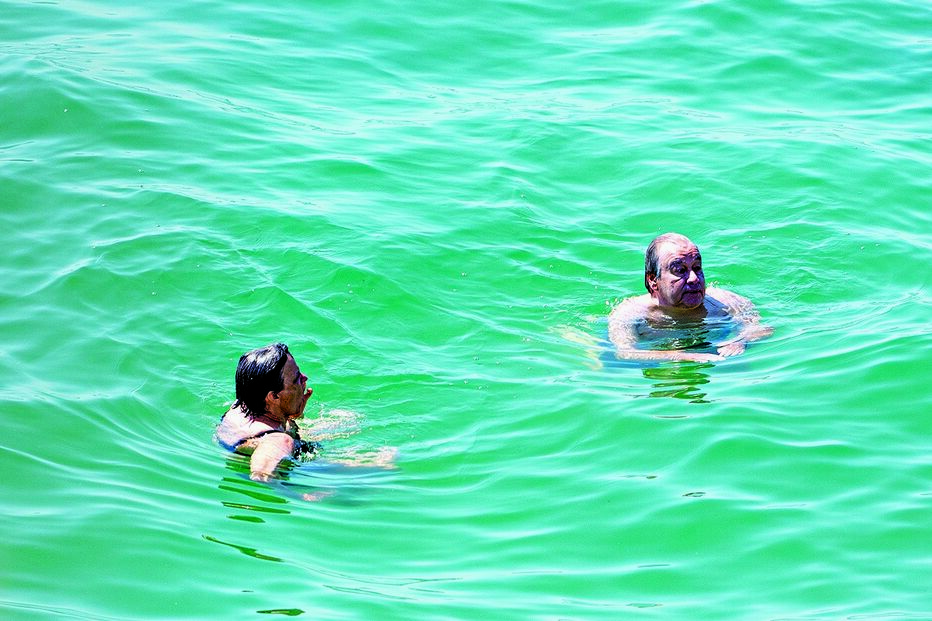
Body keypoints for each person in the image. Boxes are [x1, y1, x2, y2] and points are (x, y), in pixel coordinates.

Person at [608, 233, 772, 363]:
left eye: (697, 268)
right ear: (653, 280)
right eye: (680, 270)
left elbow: (762, 328)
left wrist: (740, 340)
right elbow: (625, 353)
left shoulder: (725, 302)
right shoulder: (629, 314)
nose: (694, 278)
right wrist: (680, 356)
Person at [216, 342, 316, 481]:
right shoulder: (279, 440)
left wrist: (291, 412)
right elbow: (261, 475)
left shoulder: (239, 406)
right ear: (273, 396)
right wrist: (301, 495)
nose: (305, 378)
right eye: (296, 379)